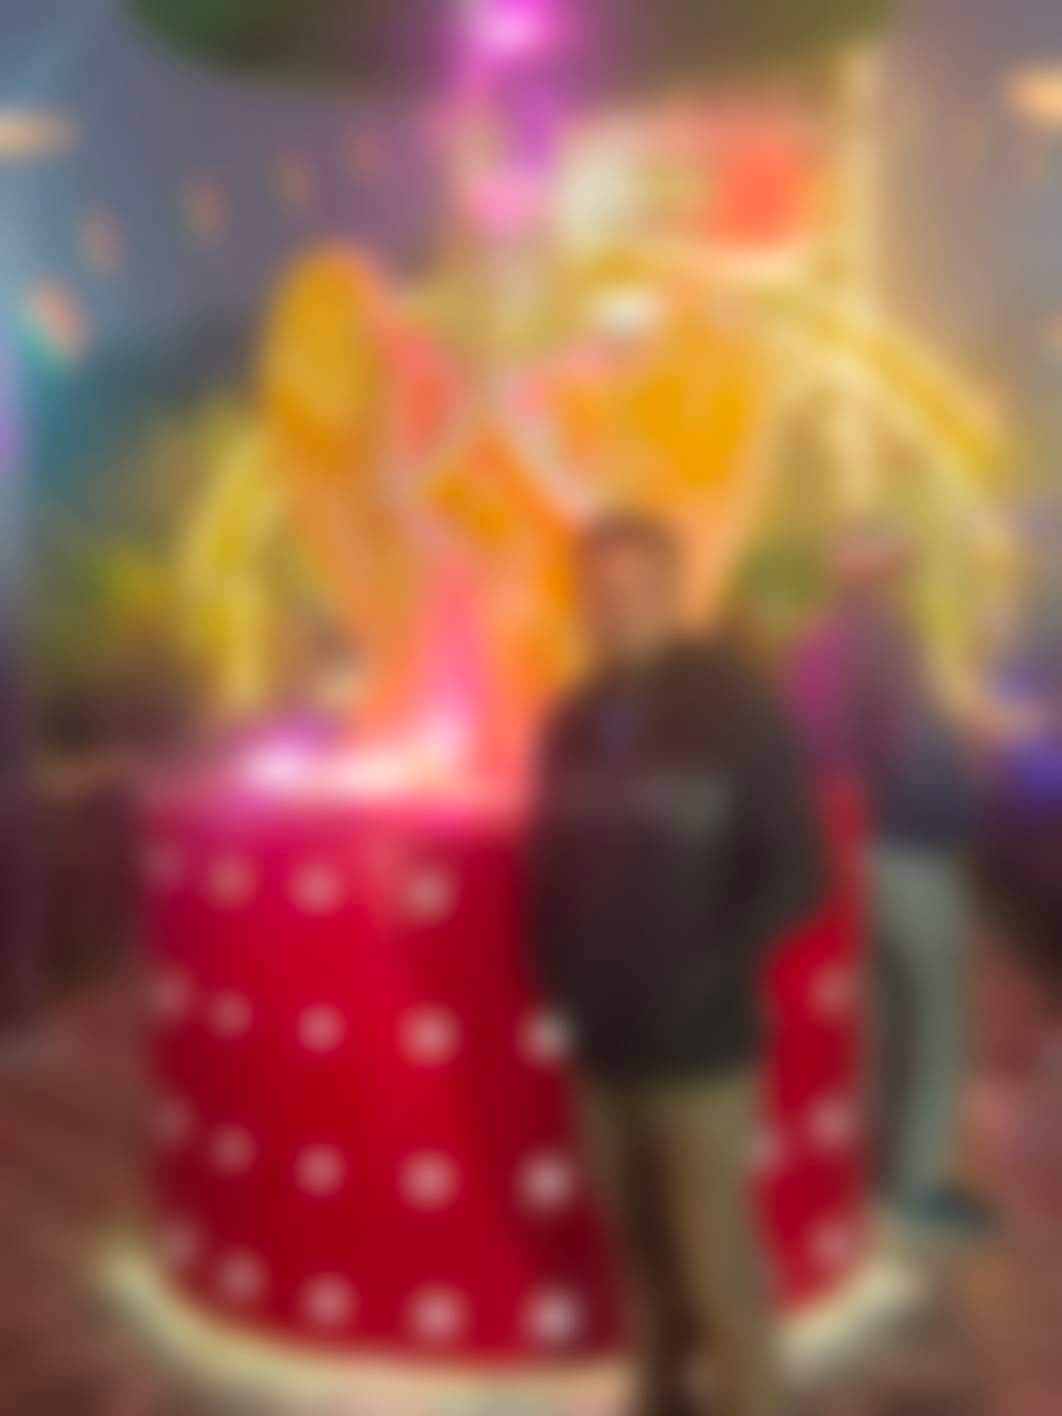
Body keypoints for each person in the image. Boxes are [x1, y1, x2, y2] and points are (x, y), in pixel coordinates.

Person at [529, 513, 826, 1416]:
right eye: (600, 590)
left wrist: (704, 973)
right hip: (601, 1051)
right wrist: (560, 985)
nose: (615, 606)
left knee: (715, 1276)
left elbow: (799, 873)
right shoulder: (569, 721)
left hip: (702, 1053)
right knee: (640, 1267)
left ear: (673, 593)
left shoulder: (739, 709)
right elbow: (544, 870)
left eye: (635, 588)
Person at [788, 523, 985, 1237]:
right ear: (890, 575)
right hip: (910, 847)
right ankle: (916, 1187)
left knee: (874, 1021)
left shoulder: (811, 648)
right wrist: (963, 778)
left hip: (844, 849)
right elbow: (912, 752)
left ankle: (868, 1175)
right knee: (934, 1020)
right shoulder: (893, 646)